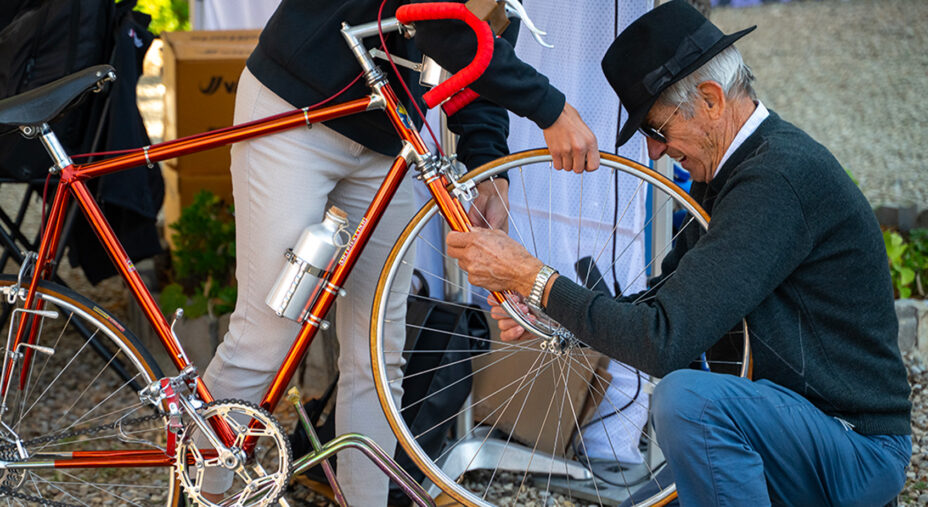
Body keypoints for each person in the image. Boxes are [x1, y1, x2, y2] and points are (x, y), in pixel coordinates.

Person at [445, 1, 912, 505]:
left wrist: (532, 276)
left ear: (710, 100)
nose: (654, 152)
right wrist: (542, 309)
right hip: (795, 427)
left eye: (655, 129)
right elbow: (655, 311)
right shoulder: (741, 171)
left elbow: (662, 343)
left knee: (688, 401)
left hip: (852, 445)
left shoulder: (776, 180)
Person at [198, 0, 599, 504]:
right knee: (268, 332)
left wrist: (490, 165)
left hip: (384, 132)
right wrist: (551, 108)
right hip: (297, 106)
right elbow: (437, 22)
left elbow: (478, 44)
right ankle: (204, 492)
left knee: (378, 356)